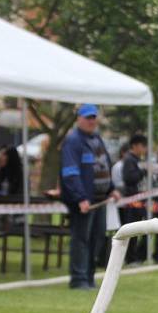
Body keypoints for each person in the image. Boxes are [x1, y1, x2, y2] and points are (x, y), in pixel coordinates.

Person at [60, 104, 119, 289]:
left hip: (100, 199)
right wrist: (80, 198)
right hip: (85, 201)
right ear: (79, 119)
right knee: (82, 239)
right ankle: (78, 279)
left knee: (97, 238)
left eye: (93, 117)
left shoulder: (96, 139)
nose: (91, 121)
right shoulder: (73, 141)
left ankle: (89, 277)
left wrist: (111, 189)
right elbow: (70, 172)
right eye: (87, 117)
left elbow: (104, 166)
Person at [121, 134, 149, 264]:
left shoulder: (138, 160)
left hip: (140, 200)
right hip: (131, 201)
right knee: (131, 230)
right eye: (143, 146)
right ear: (135, 146)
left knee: (140, 229)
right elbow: (129, 178)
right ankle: (129, 258)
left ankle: (137, 256)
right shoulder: (129, 160)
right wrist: (143, 171)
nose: (145, 149)